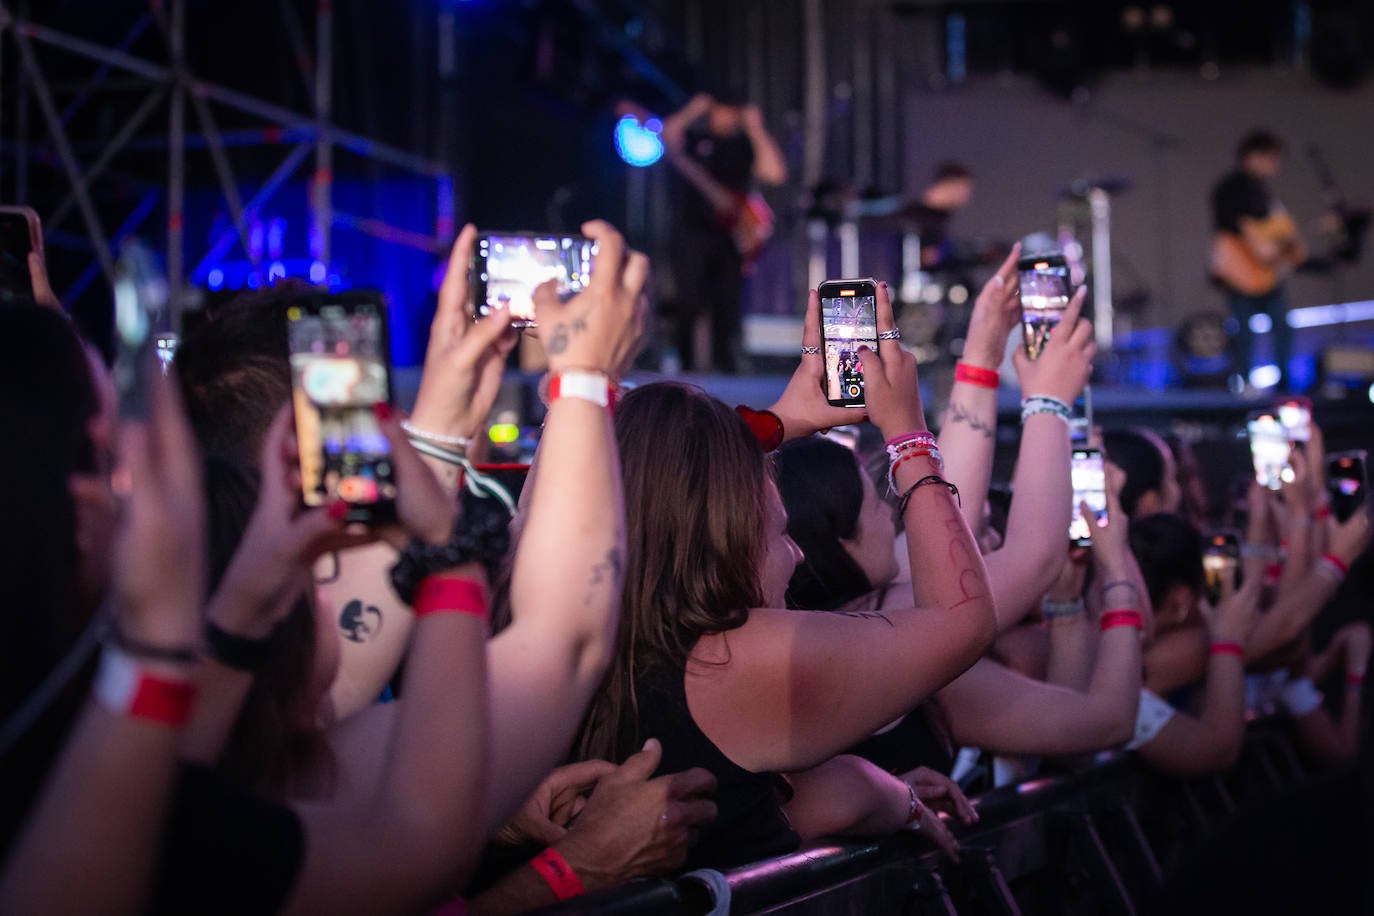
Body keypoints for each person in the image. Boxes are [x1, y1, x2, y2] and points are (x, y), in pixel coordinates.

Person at [572, 279, 999, 869]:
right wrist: (907, 436)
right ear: (718, 541)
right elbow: (965, 620)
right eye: (777, 534)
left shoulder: (572, 636)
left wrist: (777, 423)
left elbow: (651, 489)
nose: (797, 555)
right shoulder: (726, 661)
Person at [661, 90, 787, 373]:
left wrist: (756, 128)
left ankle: (725, 364)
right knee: (689, 299)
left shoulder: (743, 144)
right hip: (692, 230)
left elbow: (776, 174)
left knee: (727, 301)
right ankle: (685, 364)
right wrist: (693, 109)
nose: (729, 117)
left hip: (730, 235)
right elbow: (666, 138)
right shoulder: (694, 139)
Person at [1209, 129, 1307, 389]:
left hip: (1266, 275)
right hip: (1242, 273)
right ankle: (1244, 382)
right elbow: (1232, 225)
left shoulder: (1263, 191)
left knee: (1280, 326)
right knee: (1244, 330)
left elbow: (1277, 234)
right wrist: (1258, 243)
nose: (1275, 165)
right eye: (1271, 158)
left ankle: (1282, 381)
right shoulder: (1231, 186)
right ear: (1253, 156)